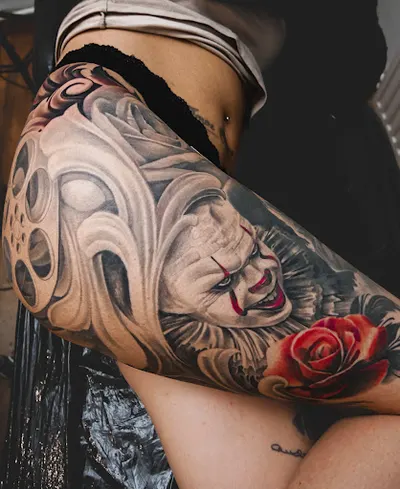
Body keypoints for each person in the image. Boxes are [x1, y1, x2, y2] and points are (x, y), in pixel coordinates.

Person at [2, 1, 400, 488]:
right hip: (102, 166)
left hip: (100, 164)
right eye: (230, 277)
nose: (264, 276)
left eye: (250, 256)